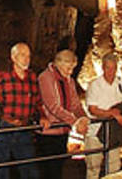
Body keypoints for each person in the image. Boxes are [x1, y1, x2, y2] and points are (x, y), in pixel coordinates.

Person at [0, 43, 47, 179]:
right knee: (0, 168)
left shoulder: (32, 77)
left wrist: (42, 117)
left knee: (30, 168)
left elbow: (38, 102)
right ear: (13, 57)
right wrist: (1, 116)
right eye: (22, 55)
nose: (26, 59)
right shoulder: (2, 77)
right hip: (5, 127)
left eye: (28, 56)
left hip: (24, 127)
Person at [37, 50, 89, 179]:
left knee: (60, 167)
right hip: (49, 132)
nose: (71, 71)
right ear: (59, 63)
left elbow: (75, 104)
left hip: (63, 131)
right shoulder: (45, 78)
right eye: (69, 67)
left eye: (73, 67)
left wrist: (83, 118)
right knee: (49, 170)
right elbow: (53, 106)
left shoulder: (69, 80)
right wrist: (75, 122)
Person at [84, 53, 122, 179]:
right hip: (95, 132)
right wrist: (112, 113)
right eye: (108, 68)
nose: (110, 71)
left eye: (113, 68)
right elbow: (93, 109)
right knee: (93, 168)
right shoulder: (95, 85)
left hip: (114, 132)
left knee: (113, 167)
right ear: (103, 67)